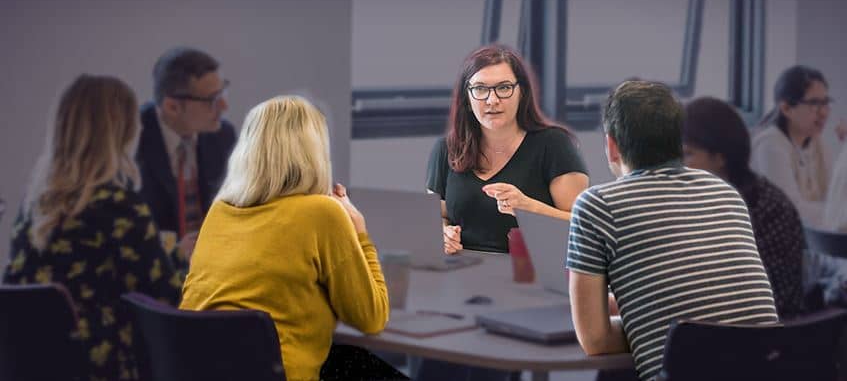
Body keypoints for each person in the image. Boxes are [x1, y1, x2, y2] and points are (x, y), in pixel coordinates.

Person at [180, 95, 404, 381]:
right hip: (275, 374)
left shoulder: (220, 210)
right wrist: (360, 232)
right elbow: (372, 318)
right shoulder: (322, 213)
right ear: (313, 154)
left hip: (197, 370)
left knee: (350, 358)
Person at [567, 81, 778, 381]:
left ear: (612, 146)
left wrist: (655, 328)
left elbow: (596, 340)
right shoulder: (726, 193)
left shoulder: (596, 205)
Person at [3, 75, 183, 381]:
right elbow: (166, 297)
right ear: (120, 131)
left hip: (33, 367)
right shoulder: (118, 204)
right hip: (102, 365)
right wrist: (183, 257)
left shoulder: (32, 206)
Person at [426, 44, 589, 254]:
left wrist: (528, 207)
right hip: (461, 271)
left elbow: (583, 227)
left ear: (522, 93)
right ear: (467, 98)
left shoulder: (554, 144)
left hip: (532, 275)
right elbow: (435, 217)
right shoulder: (446, 149)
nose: (492, 100)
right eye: (480, 89)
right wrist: (443, 234)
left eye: (503, 88)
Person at [683, 97, 806, 318]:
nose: (679, 165)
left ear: (720, 158)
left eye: (688, 154)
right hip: (719, 328)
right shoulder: (703, 200)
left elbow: (771, 301)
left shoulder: (767, 208)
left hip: (762, 337)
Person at [135, 47, 236, 244]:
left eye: (223, 93)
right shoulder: (134, 141)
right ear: (172, 107)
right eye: (212, 100)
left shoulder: (223, 136)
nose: (224, 106)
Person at [750, 65, 838, 226]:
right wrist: (838, 213)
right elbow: (791, 210)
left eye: (826, 103)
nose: (824, 112)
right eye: (815, 103)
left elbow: (835, 197)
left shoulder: (817, 141)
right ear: (786, 108)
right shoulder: (769, 145)